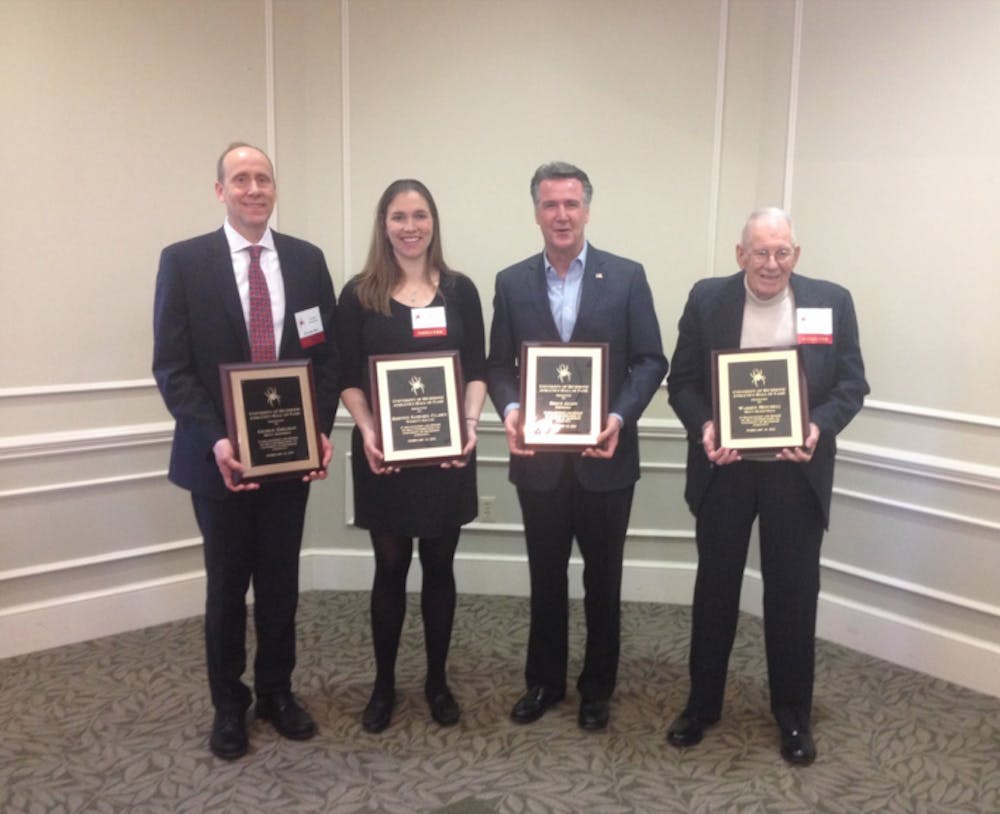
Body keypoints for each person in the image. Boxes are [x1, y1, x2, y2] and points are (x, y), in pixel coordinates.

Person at [152, 142, 339, 760]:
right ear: (220, 191)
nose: (254, 188)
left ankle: (278, 693)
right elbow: (173, 369)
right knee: (227, 587)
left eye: (263, 178)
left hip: (290, 457)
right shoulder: (184, 263)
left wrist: (319, 428)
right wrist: (220, 441)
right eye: (240, 179)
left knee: (281, 583)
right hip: (219, 463)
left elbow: (325, 357)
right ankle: (228, 706)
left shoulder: (308, 261)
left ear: (274, 189)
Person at [664, 207, 869, 765]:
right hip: (725, 468)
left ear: (795, 256)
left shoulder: (831, 300)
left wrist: (818, 424)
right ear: (740, 255)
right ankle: (701, 706)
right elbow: (680, 383)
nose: (771, 264)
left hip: (794, 471)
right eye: (760, 252)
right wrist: (706, 425)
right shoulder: (708, 299)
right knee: (715, 592)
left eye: (782, 252)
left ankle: (794, 716)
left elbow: (852, 382)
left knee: (794, 595)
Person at [486, 162, 668, 731]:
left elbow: (650, 359)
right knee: (545, 577)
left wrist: (617, 416)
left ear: (587, 209)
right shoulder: (511, 281)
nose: (561, 215)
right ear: (535, 211)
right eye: (550, 205)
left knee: (602, 580)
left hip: (606, 459)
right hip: (538, 463)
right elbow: (497, 366)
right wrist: (514, 411)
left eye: (571, 204)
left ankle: (597, 689)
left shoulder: (628, 276)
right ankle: (543, 681)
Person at [337, 179, 487, 733]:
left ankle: (437, 681)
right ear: (384, 224)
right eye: (398, 216)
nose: (410, 226)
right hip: (385, 457)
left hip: (449, 455)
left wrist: (469, 426)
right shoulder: (359, 294)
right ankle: (383, 685)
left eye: (420, 214)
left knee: (441, 568)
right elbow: (347, 375)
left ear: (433, 222)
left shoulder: (460, 291)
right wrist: (370, 429)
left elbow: (476, 367)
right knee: (391, 569)